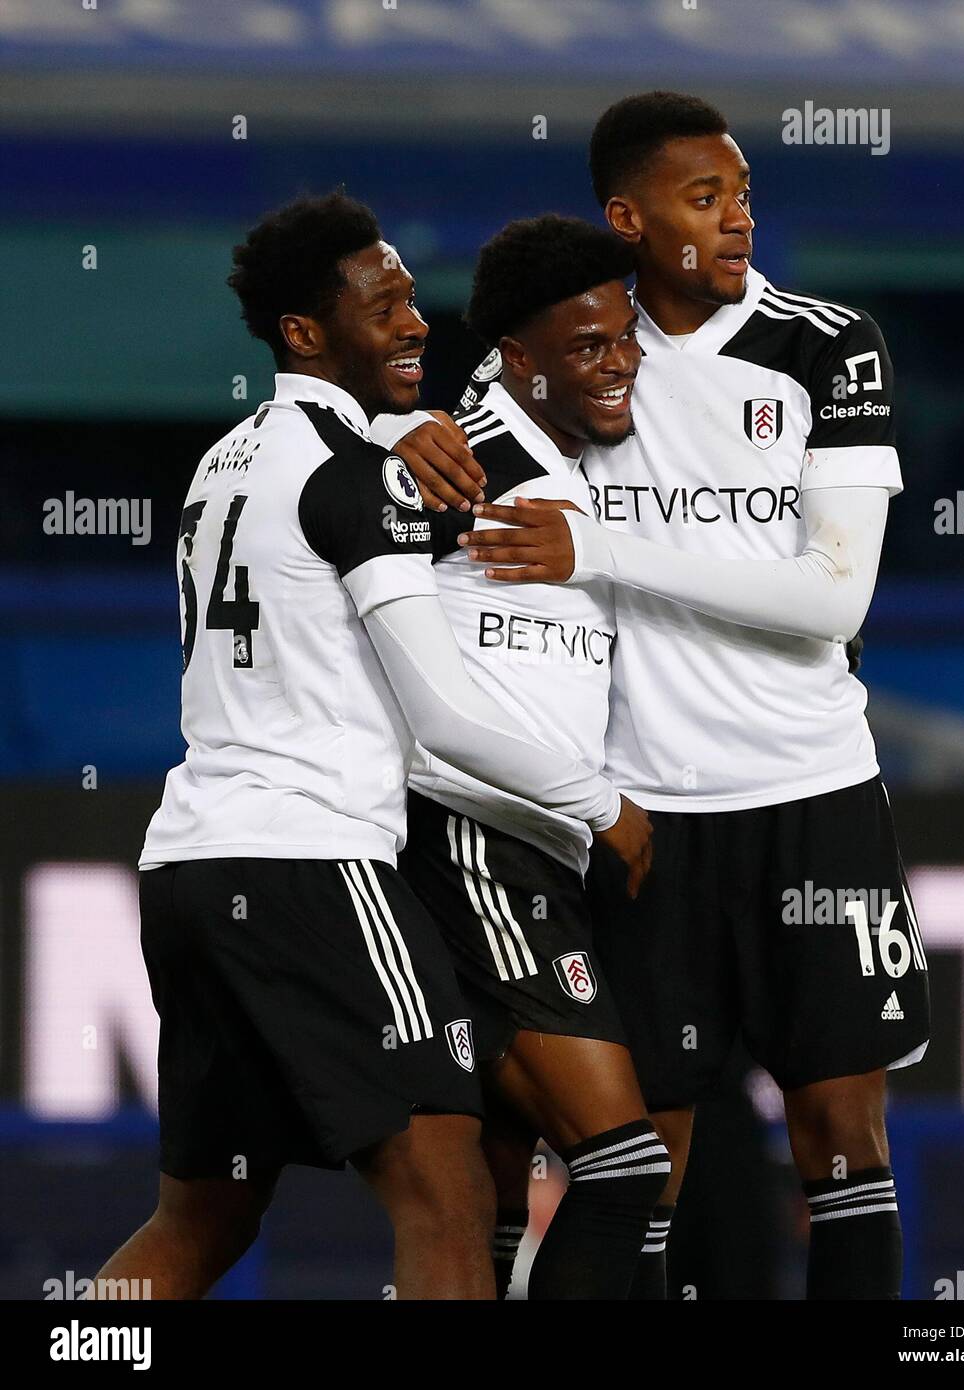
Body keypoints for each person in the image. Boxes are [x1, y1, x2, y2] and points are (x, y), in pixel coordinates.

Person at [94, 192, 649, 1301]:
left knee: (198, 1219)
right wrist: (602, 805)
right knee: (444, 1189)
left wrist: (396, 430)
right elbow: (440, 715)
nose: (414, 324)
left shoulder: (219, 465)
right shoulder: (362, 474)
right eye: (383, 304)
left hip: (189, 863)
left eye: (409, 298)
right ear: (306, 333)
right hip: (314, 861)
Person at [451, 92, 932, 1300]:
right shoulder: (579, 353)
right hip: (646, 818)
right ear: (629, 216)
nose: (738, 224)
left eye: (747, 197)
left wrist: (599, 550)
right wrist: (402, 445)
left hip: (815, 795)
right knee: (640, 1170)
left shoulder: (828, 345)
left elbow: (832, 600)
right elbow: (438, 453)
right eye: (704, 200)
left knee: (843, 1141)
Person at [398, 214, 669, 1300]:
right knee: (622, 1163)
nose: (621, 366)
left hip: (533, 856)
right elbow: (325, 563)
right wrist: (388, 440)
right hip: (477, 843)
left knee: (504, 1183)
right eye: (590, 346)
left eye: (628, 340)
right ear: (519, 358)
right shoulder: (459, 462)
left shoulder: (577, 463)